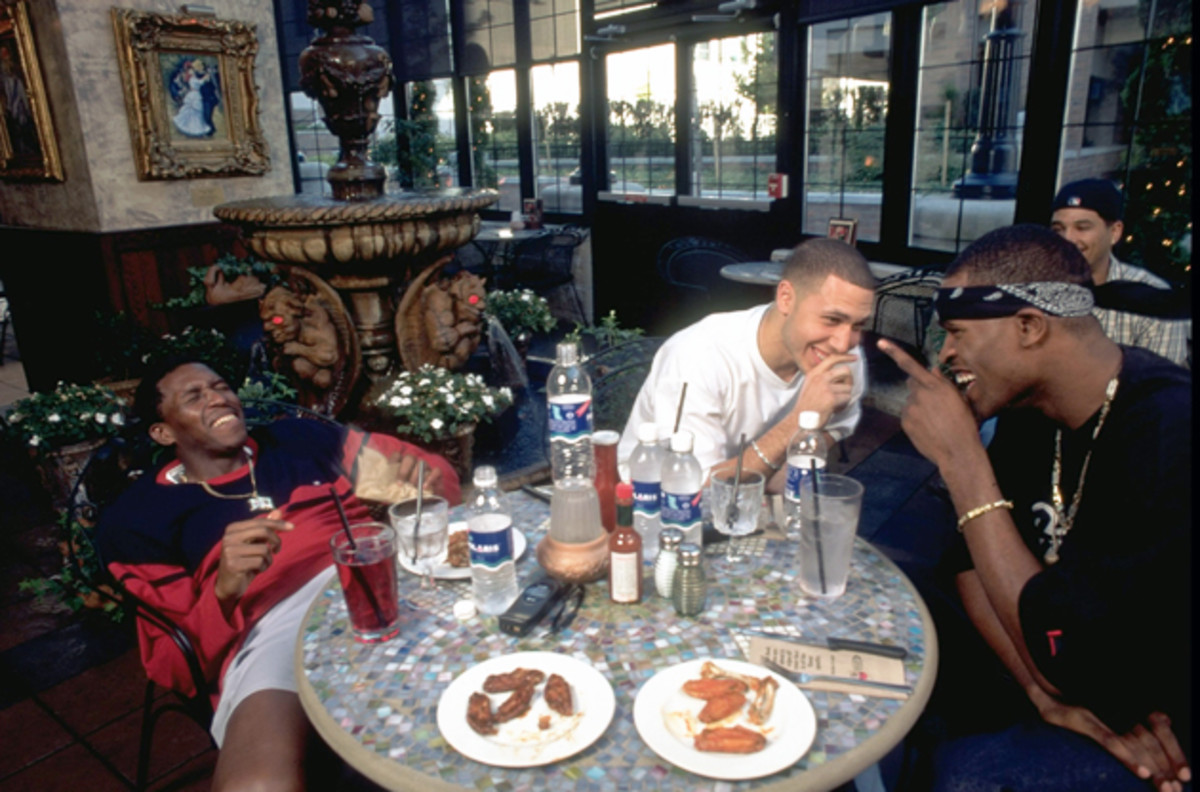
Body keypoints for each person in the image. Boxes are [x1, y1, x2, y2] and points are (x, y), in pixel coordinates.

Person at [877, 224, 1190, 792]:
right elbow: (966, 563)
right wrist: (1041, 694)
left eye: (956, 333)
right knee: (885, 605)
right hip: (1050, 662)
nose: (946, 354)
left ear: (1028, 327)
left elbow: (1079, 659)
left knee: (968, 779)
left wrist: (963, 461)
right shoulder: (1032, 408)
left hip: (1140, 709)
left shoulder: (1167, 432)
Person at [95, 355, 461, 791]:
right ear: (163, 431)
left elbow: (430, 480)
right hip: (270, 628)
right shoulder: (140, 519)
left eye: (221, 386)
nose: (218, 398)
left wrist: (420, 483)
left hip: (371, 578)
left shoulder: (300, 438)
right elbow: (174, 665)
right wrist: (224, 590)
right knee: (257, 785)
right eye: (195, 396)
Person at [618, 237, 876, 487]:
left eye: (858, 324)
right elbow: (694, 487)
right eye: (831, 319)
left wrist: (778, 477)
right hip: (655, 503)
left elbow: (835, 429)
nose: (844, 343)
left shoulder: (844, 356)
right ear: (786, 297)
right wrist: (800, 421)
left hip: (752, 498)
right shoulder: (699, 356)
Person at [1050, 178, 1190, 367]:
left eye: (1082, 228)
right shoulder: (1037, 284)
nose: (1068, 239)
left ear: (1115, 232)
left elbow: (1159, 387)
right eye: (1059, 229)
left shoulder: (1152, 299)